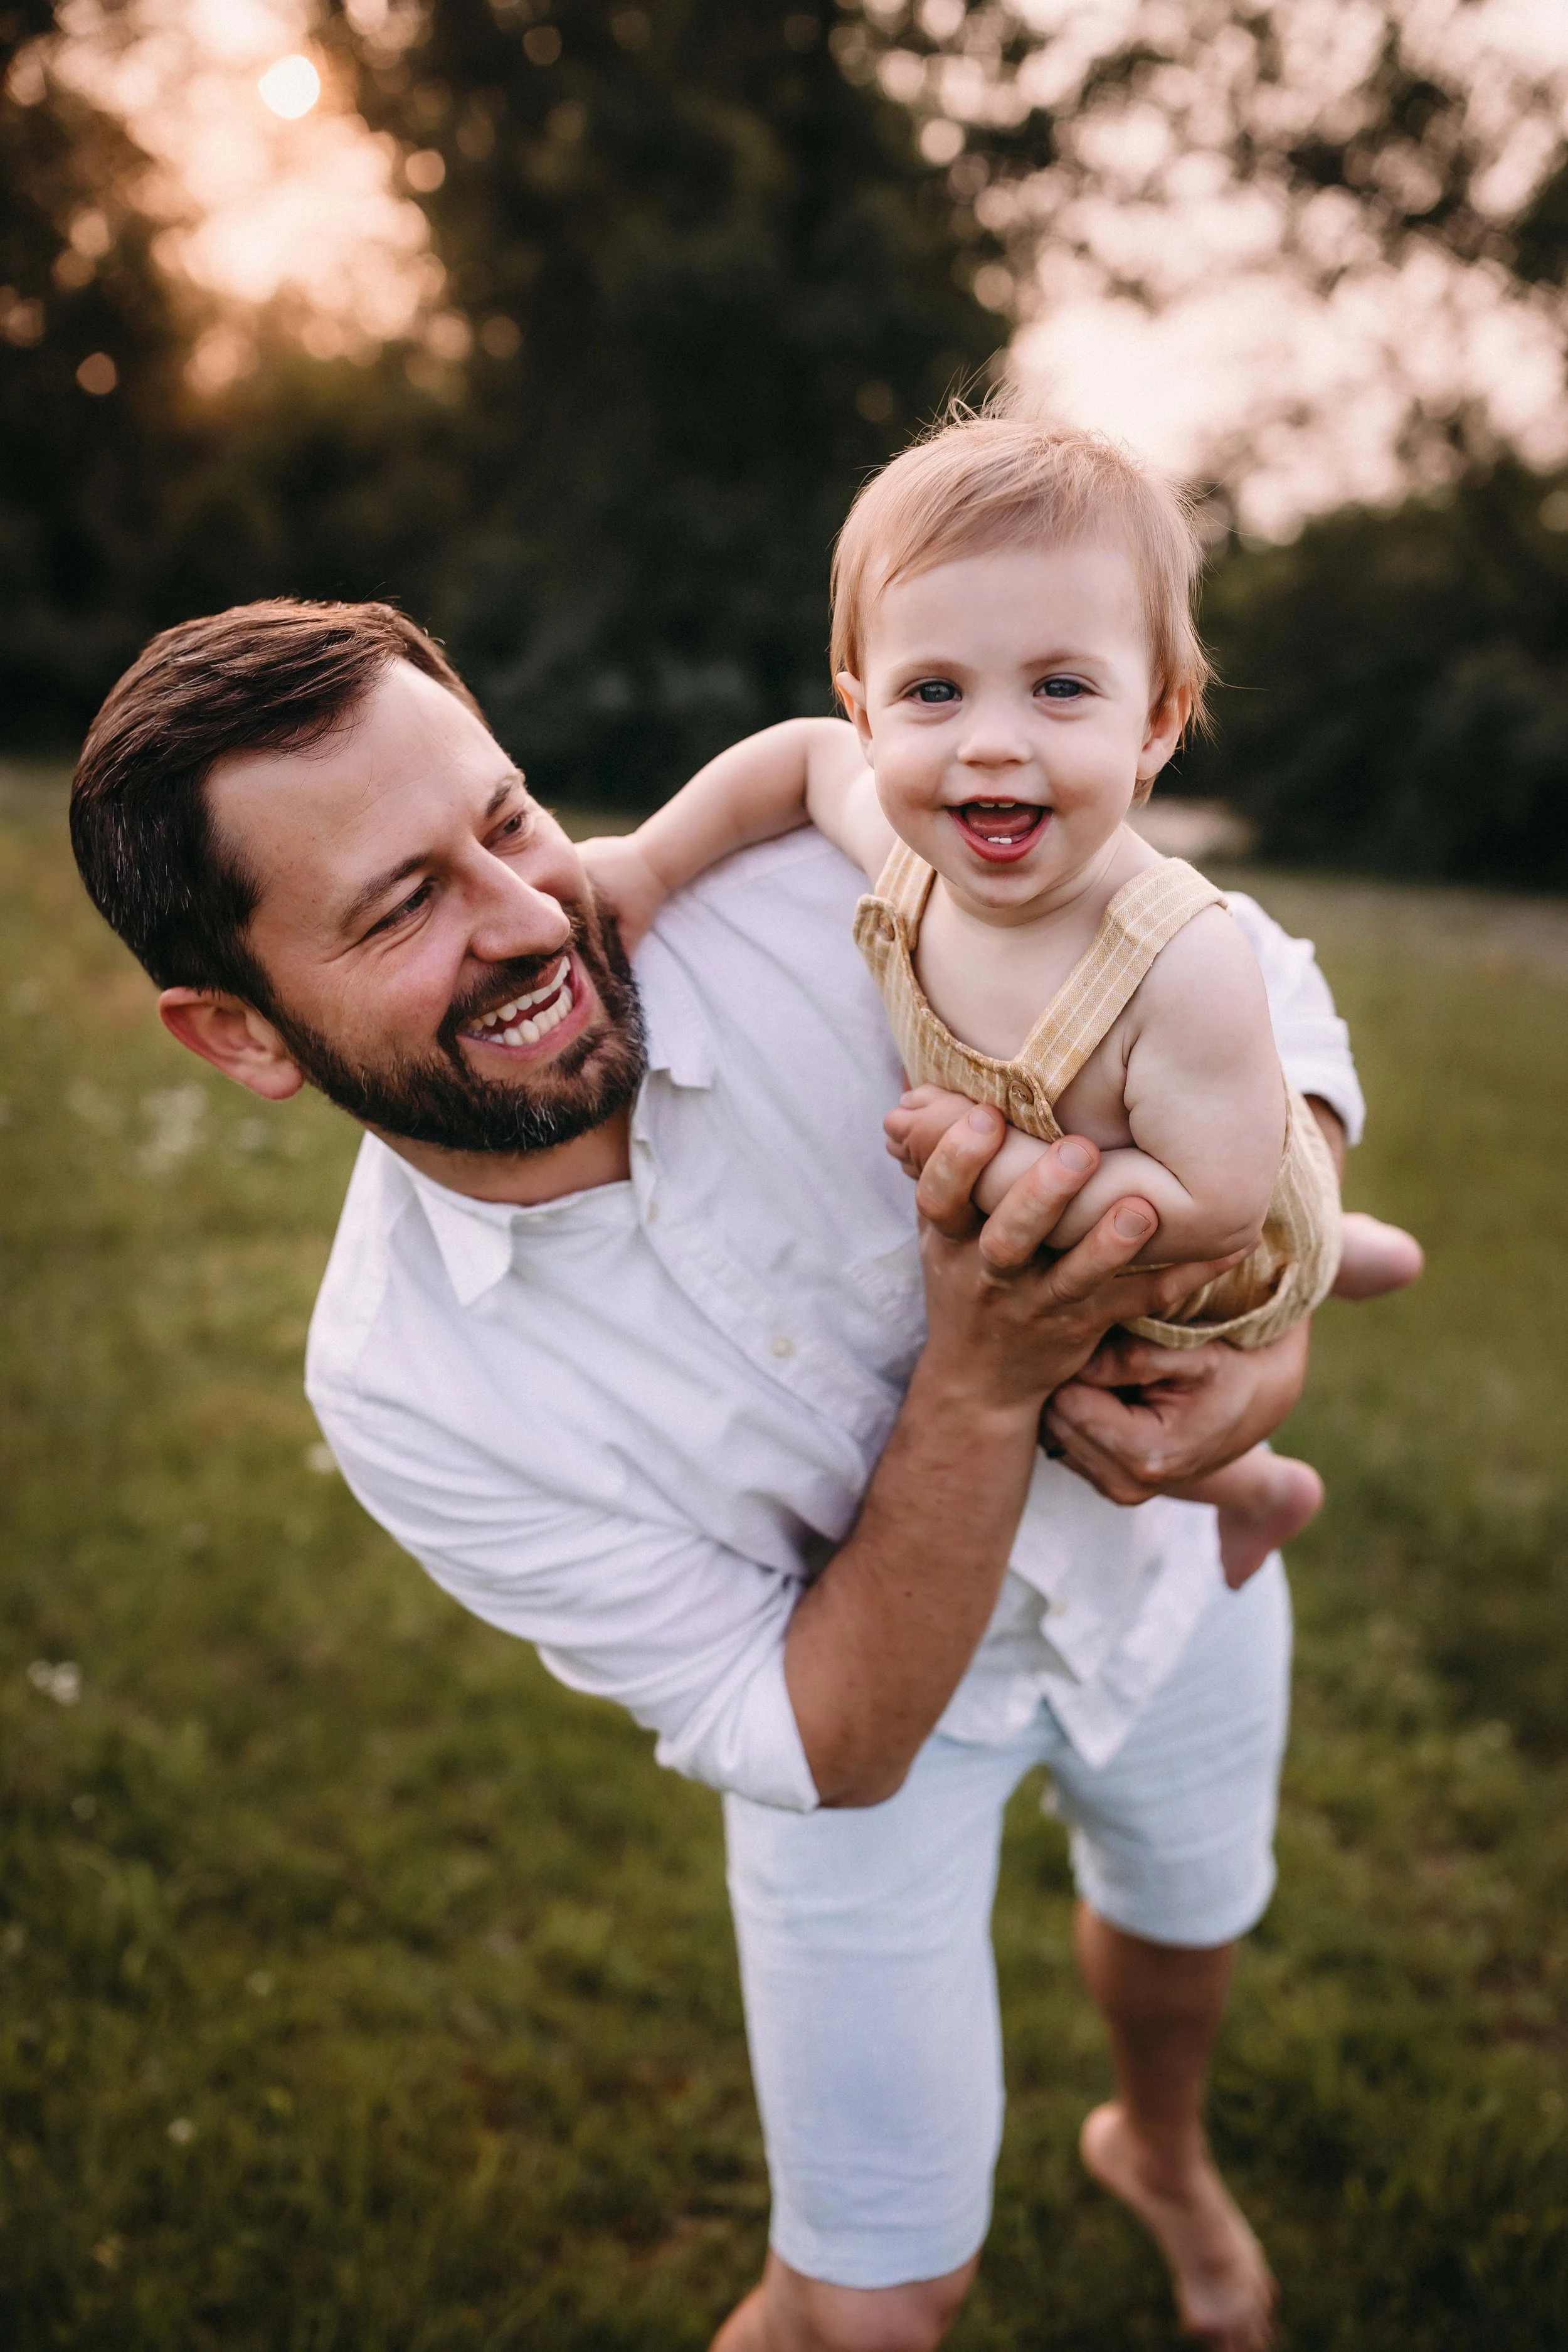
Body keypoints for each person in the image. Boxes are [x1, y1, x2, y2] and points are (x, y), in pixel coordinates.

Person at [71, 597, 1375, 2352]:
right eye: (404, 902)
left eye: (508, 817)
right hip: (876, 1730)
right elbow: (825, 1737)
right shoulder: (405, 1388)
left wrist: (1261, 1320)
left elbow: (1236, 967)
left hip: (1171, 1573)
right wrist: (980, 1378)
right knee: (863, 2301)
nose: (533, 912)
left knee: (1183, 1910)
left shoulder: (812, 890)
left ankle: (1157, 2147)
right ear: (238, 1034)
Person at [586, 413, 1421, 1590]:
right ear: (868, 711)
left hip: (1194, 1238)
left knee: (1086, 1391)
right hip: (1196, 1157)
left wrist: (1004, 1180)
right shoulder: (902, 850)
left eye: (1061, 688)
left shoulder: (1176, 960)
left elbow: (1217, 1202)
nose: (989, 744)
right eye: (933, 691)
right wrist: (650, 864)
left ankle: (1285, 1390)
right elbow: (796, 757)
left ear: (1158, 722)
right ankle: (1305, 1398)